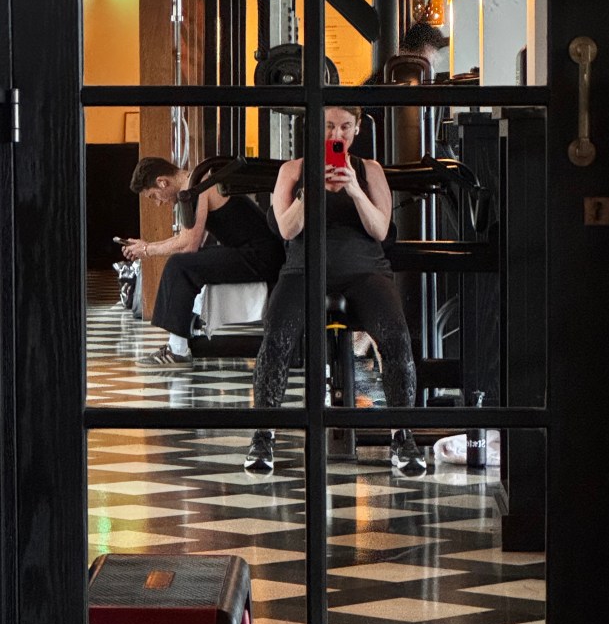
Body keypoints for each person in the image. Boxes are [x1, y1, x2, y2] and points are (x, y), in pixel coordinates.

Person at [244, 106, 426, 476]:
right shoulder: (291, 171)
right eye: (328, 126)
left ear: (356, 129)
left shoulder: (370, 170)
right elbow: (286, 230)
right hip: (303, 271)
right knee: (276, 338)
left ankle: (402, 437)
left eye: (344, 126)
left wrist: (355, 191)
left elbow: (380, 229)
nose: (336, 134)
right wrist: (310, 193)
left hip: (365, 271)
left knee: (396, 337)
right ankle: (263, 437)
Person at [124, 157, 285, 367]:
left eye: (154, 196)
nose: (159, 203)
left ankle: (177, 351)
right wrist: (147, 246)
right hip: (254, 251)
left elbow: (188, 244)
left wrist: (147, 249)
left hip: (261, 255)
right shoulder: (197, 181)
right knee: (184, 263)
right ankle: (184, 337)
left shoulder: (198, 186)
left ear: (162, 182)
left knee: (179, 266)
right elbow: (189, 240)